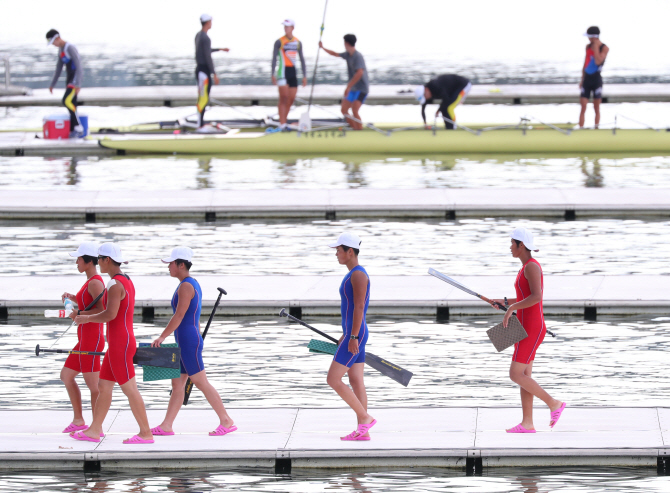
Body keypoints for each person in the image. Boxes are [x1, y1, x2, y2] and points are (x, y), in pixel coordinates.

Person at [71, 243, 154, 444]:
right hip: (119, 343)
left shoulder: (114, 284)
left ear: (107, 260)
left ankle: (146, 433)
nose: (98, 262)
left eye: (99, 259)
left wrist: (85, 318)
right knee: (104, 385)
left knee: (129, 388)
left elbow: (110, 314)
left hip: (120, 344)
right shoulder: (125, 280)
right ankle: (94, 429)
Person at [150, 247, 236, 437]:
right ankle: (166, 426)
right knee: (177, 385)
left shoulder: (186, 286)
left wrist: (162, 336)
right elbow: (193, 317)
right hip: (186, 340)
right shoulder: (189, 283)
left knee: (200, 381)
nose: (168, 267)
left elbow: (179, 315)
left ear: (181, 264)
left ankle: (226, 421)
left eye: (171, 263)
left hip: (188, 341)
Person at [491, 228, 566, 433]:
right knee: (525, 374)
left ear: (521, 245)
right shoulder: (525, 267)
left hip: (531, 327)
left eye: (512, 243)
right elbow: (526, 296)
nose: (510, 247)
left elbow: (536, 297)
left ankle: (554, 404)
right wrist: (504, 302)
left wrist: (512, 309)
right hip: (523, 326)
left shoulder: (532, 266)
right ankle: (527, 423)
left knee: (515, 374)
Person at [326, 232, 376, 440]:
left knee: (333, 379)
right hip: (354, 332)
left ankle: (364, 418)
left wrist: (353, 337)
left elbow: (359, 306)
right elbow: (352, 309)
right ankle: (362, 432)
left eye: (338, 251)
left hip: (357, 334)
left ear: (350, 252)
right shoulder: (353, 273)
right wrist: (347, 334)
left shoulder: (357, 274)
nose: (336, 254)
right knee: (355, 380)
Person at [60, 242, 106, 434]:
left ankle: (97, 427)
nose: (76, 262)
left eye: (78, 259)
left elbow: (103, 309)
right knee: (66, 376)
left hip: (92, 339)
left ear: (88, 261)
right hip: (84, 338)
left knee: (94, 386)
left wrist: (79, 312)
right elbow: (90, 303)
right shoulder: (89, 281)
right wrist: (73, 299)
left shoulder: (95, 281)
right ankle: (79, 420)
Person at [319, 34, 369, 130]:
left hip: (362, 88)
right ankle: (354, 129)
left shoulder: (358, 56)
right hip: (353, 88)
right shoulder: (347, 54)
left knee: (355, 110)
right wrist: (322, 47)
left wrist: (348, 86)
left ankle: (360, 131)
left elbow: (359, 73)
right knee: (344, 110)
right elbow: (334, 54)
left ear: (346, 43)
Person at [269, 19, 307, 133]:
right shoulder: (279, 42)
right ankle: (282, 124)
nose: (286, 29)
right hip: (282, 72)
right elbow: (274, 58)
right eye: (284, 27)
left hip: (293, 72)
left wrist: (304, 75)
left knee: (291, 99)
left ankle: (284, 121)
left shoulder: (298, 42)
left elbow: (302, 59)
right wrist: (272, 73)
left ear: (292, 28)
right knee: (283, 98)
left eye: (288, 26)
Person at [46, 29, 84, 138]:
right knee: (72, 104)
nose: (53, 45)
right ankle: (74, 130)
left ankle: (78, 127)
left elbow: (79, 66)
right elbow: (59, 68)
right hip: (69, 80)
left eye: (53, 42)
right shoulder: (61, 50)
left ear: (58, 38)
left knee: (66, 101)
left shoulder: (70, 47)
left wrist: (78, 84)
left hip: (75, 80)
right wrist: (52, 84)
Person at [195, 14, 229, 129]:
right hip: (204, 71)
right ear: (208, 22)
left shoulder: (199, 35)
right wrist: (214, 74)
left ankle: (200, 122)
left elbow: (206, 50)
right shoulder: (205, 38)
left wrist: (220, 49)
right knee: (203, 98)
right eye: (211, 21)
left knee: (202, 97)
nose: (211, 23)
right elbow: (207, 56)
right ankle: (199, 125)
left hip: (199, 70)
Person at [579, 26, 609, 128]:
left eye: (589, 37)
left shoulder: (604, 48)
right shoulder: (587, 47)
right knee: (583, 107)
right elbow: (585, 63)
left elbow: (597, 61)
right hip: (587, 79)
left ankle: (596, 128)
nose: (588, 39)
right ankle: (581, 128)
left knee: (596, 108)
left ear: (593, 37)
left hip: (596, 80)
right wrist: (582, 80)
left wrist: (596, 47)